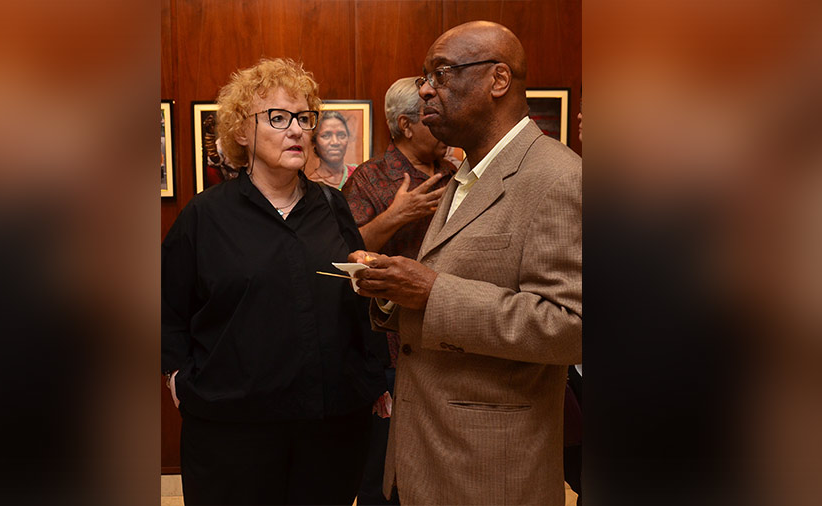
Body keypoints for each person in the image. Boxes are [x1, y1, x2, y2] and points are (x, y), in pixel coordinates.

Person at [349, 21, 582, 505]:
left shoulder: (558, 177)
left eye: (442, 74)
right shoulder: (463, 176)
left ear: (498, 81)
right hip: (422, 458)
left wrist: (433, 293)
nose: (425, 90)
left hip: (490, 469)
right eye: (425, 77)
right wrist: (393, 292)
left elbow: (569, 326)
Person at [161, 57, 387, 505]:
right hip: (233, 430)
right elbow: (166, 308)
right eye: (279, 118)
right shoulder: (204, 216)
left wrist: (374, 374)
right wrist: (176, 378)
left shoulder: (331, 205)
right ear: (242, 132)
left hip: (330, 425)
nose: (298, 130)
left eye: (304, 118)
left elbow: (356, 296)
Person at [342, 77, 456, 505]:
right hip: (389, 354)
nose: (439, 119)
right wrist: (396, 215)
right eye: (430, 114)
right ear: (406, 125)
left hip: (452, 342)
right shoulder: (368, 179)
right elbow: (346, 254)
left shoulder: (456, 174)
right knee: (383, 479)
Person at [309, 110, 357, 189]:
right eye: (326, 135)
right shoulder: (310, 186)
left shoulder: (359, 175)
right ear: (314, 142)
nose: (335, 142)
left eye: (341, 135)